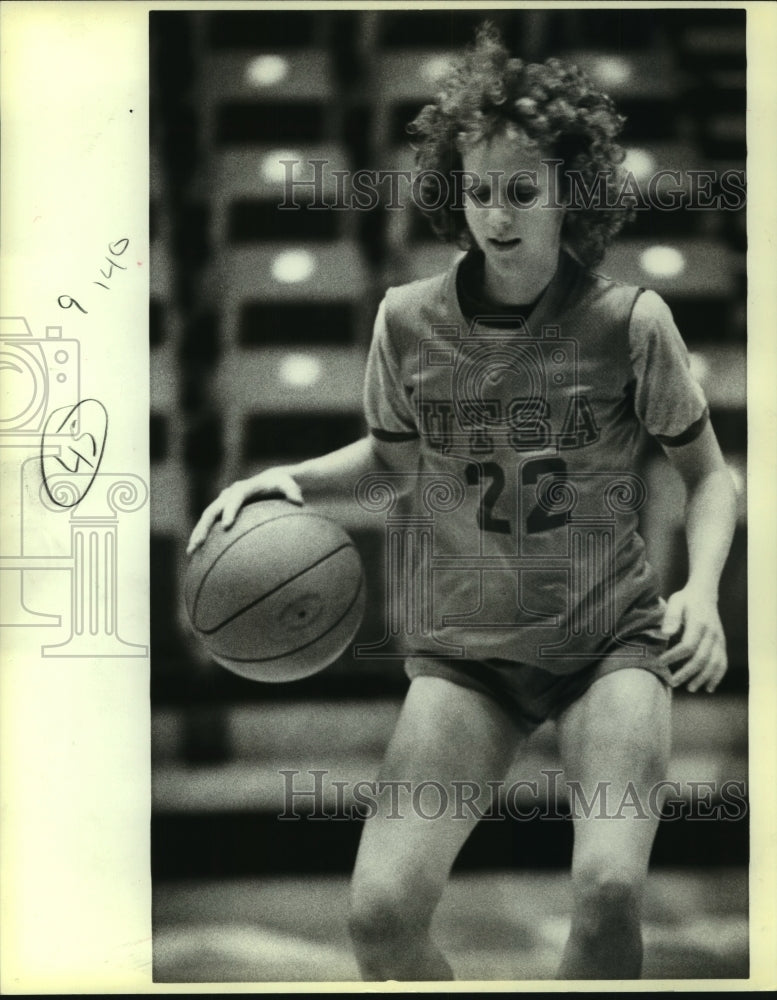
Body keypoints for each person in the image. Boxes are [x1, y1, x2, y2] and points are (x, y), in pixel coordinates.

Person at [187, 23, 736, 981]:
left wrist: (701, 593)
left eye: (522, 190)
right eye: (478, 190)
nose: (496, 212)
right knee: (380, 918)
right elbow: (393, 462)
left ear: (572, 193)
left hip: (608, 645)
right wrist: (286, 480)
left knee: (608, 891)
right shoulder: (406, 319)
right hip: (468, 658)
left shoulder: (630, 323)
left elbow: (709, 478)